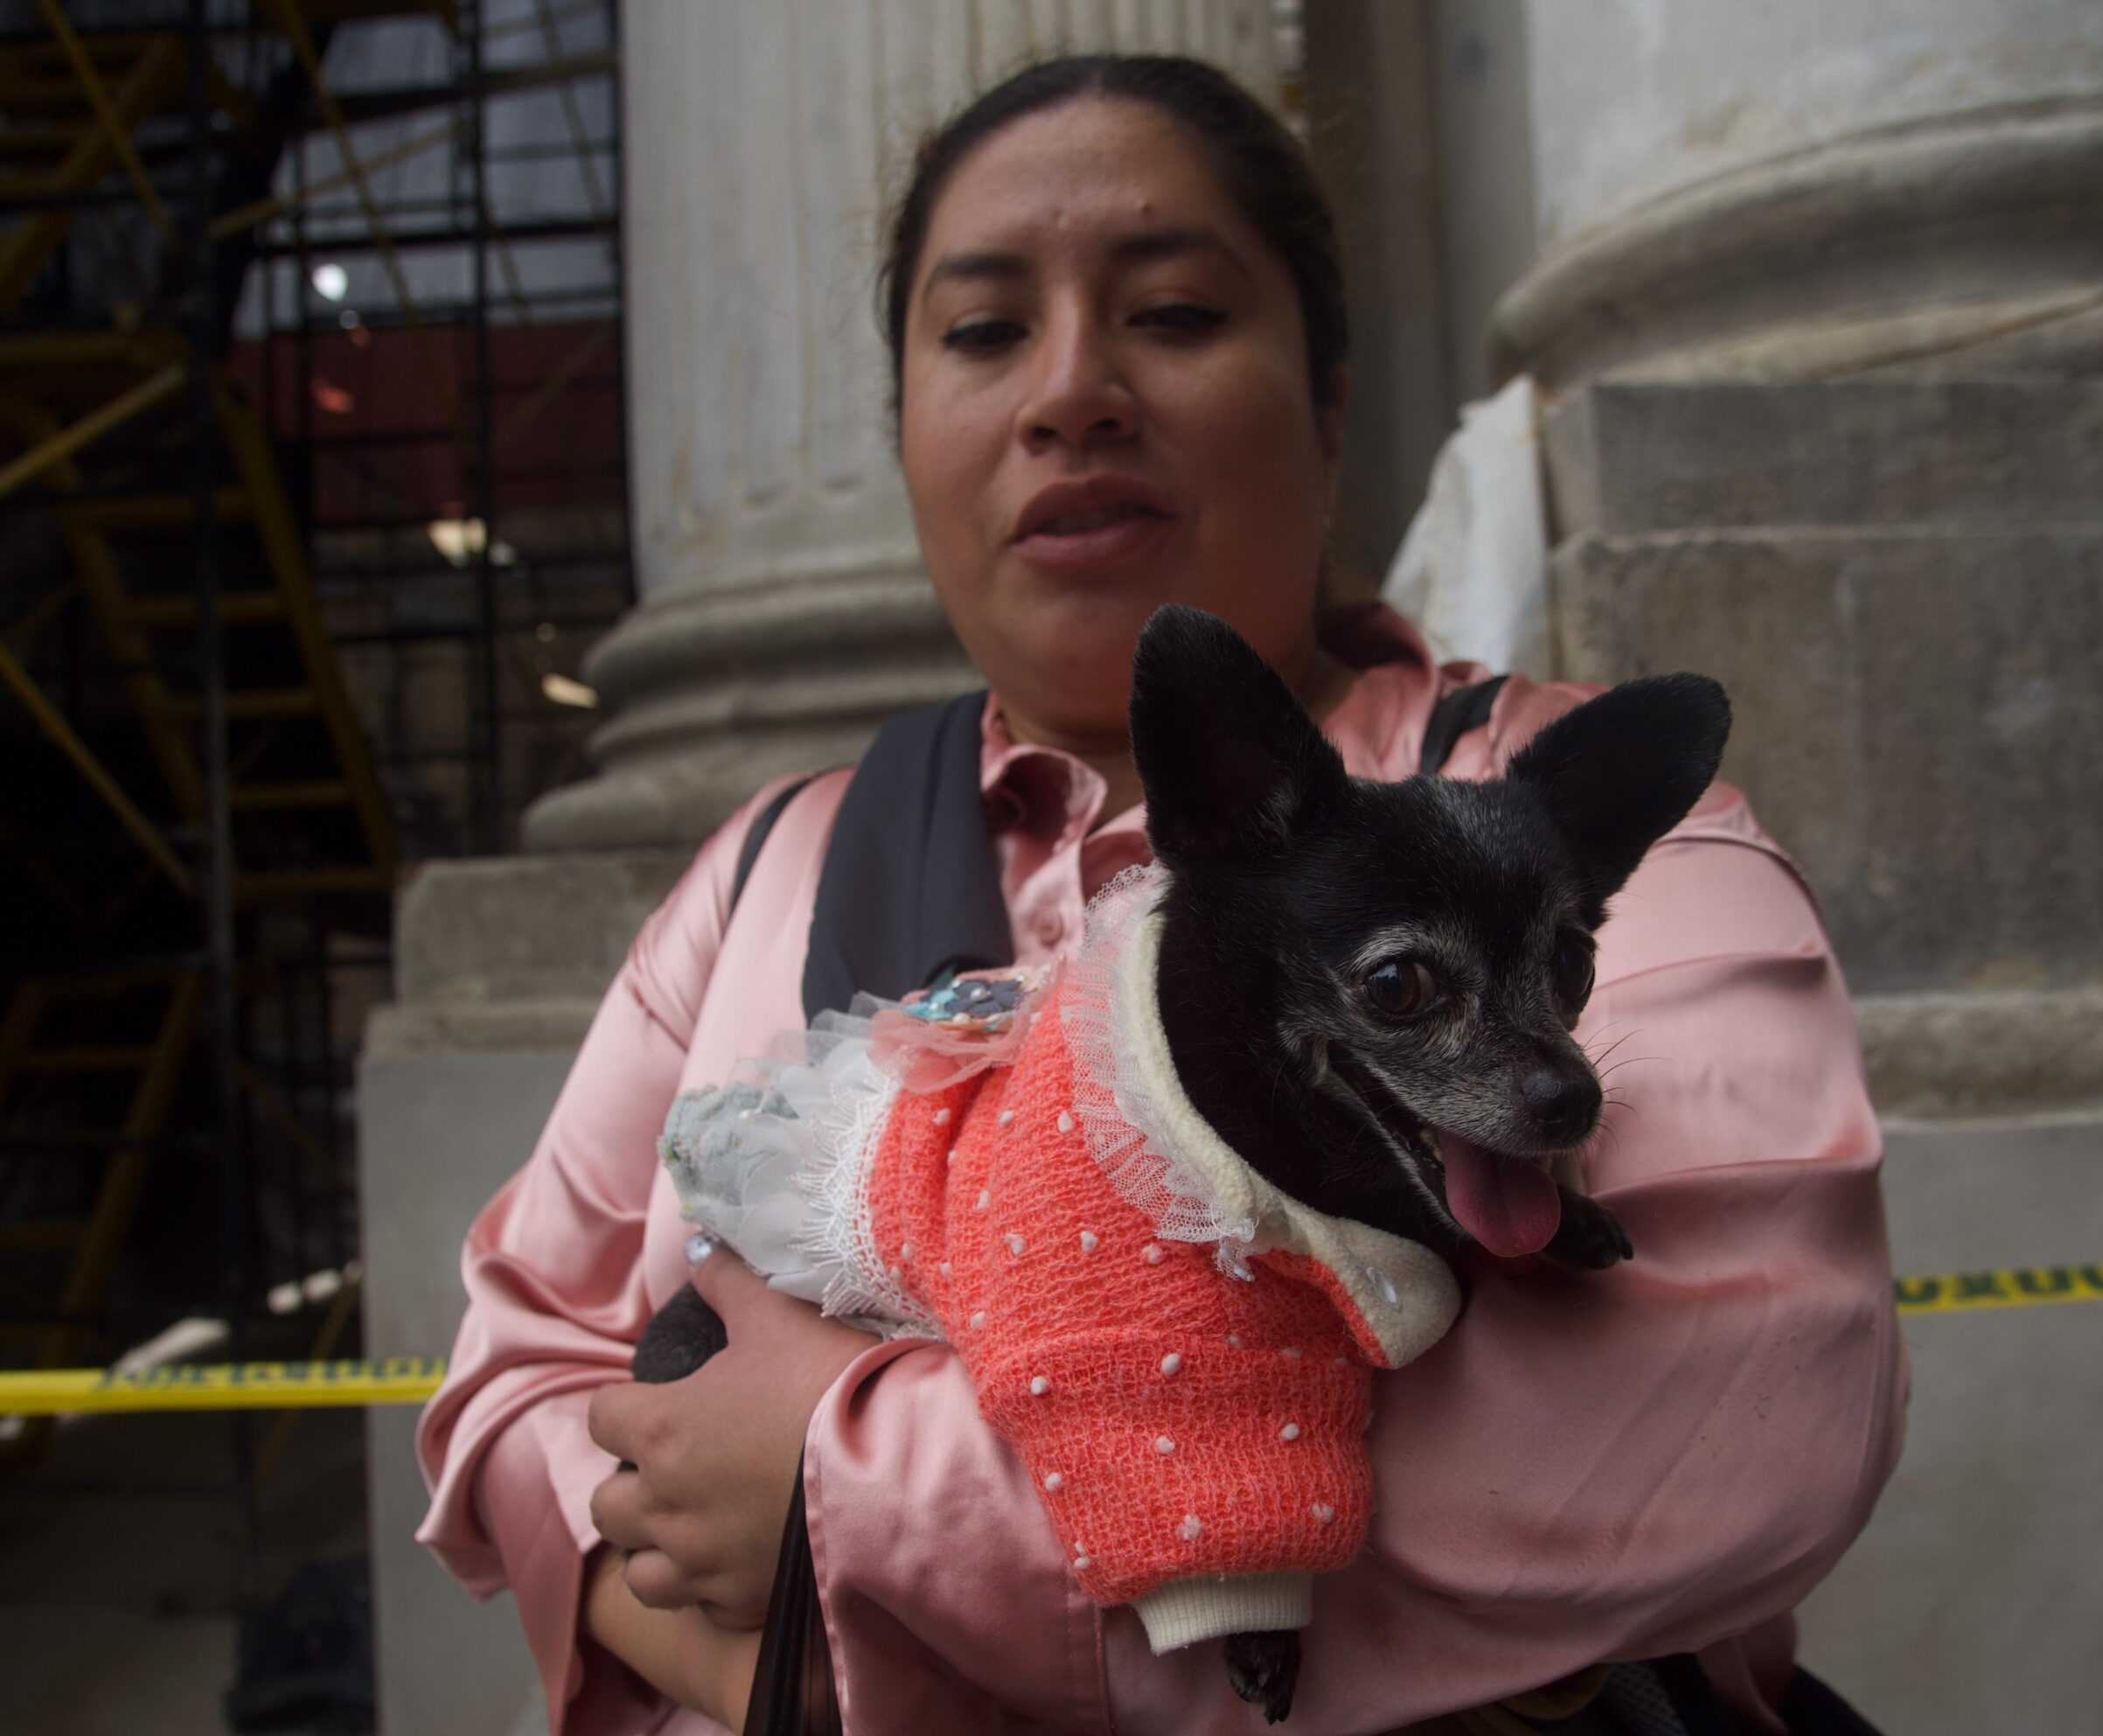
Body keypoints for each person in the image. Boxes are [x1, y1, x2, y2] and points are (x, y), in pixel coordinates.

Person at [415, 54, 1906, 1736]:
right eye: (982, 333)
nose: (1073, 393)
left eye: (1177, 312)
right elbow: (513, 1378)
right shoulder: (771, 865)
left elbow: (1751, 1404)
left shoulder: (1577, 831)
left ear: (1329, 397)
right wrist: (749, 1661)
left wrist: (843, 1521)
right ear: (904, 426)